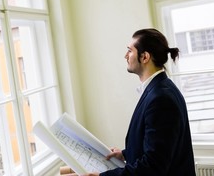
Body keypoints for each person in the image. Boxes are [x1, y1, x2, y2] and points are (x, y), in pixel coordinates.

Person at [84, 28, 196, 176]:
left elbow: (152, 167)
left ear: (145, 57)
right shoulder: (159, 88)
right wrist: (125, 154)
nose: (125, 56)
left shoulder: (161, 98)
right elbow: (157, 145)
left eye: (130, 51)